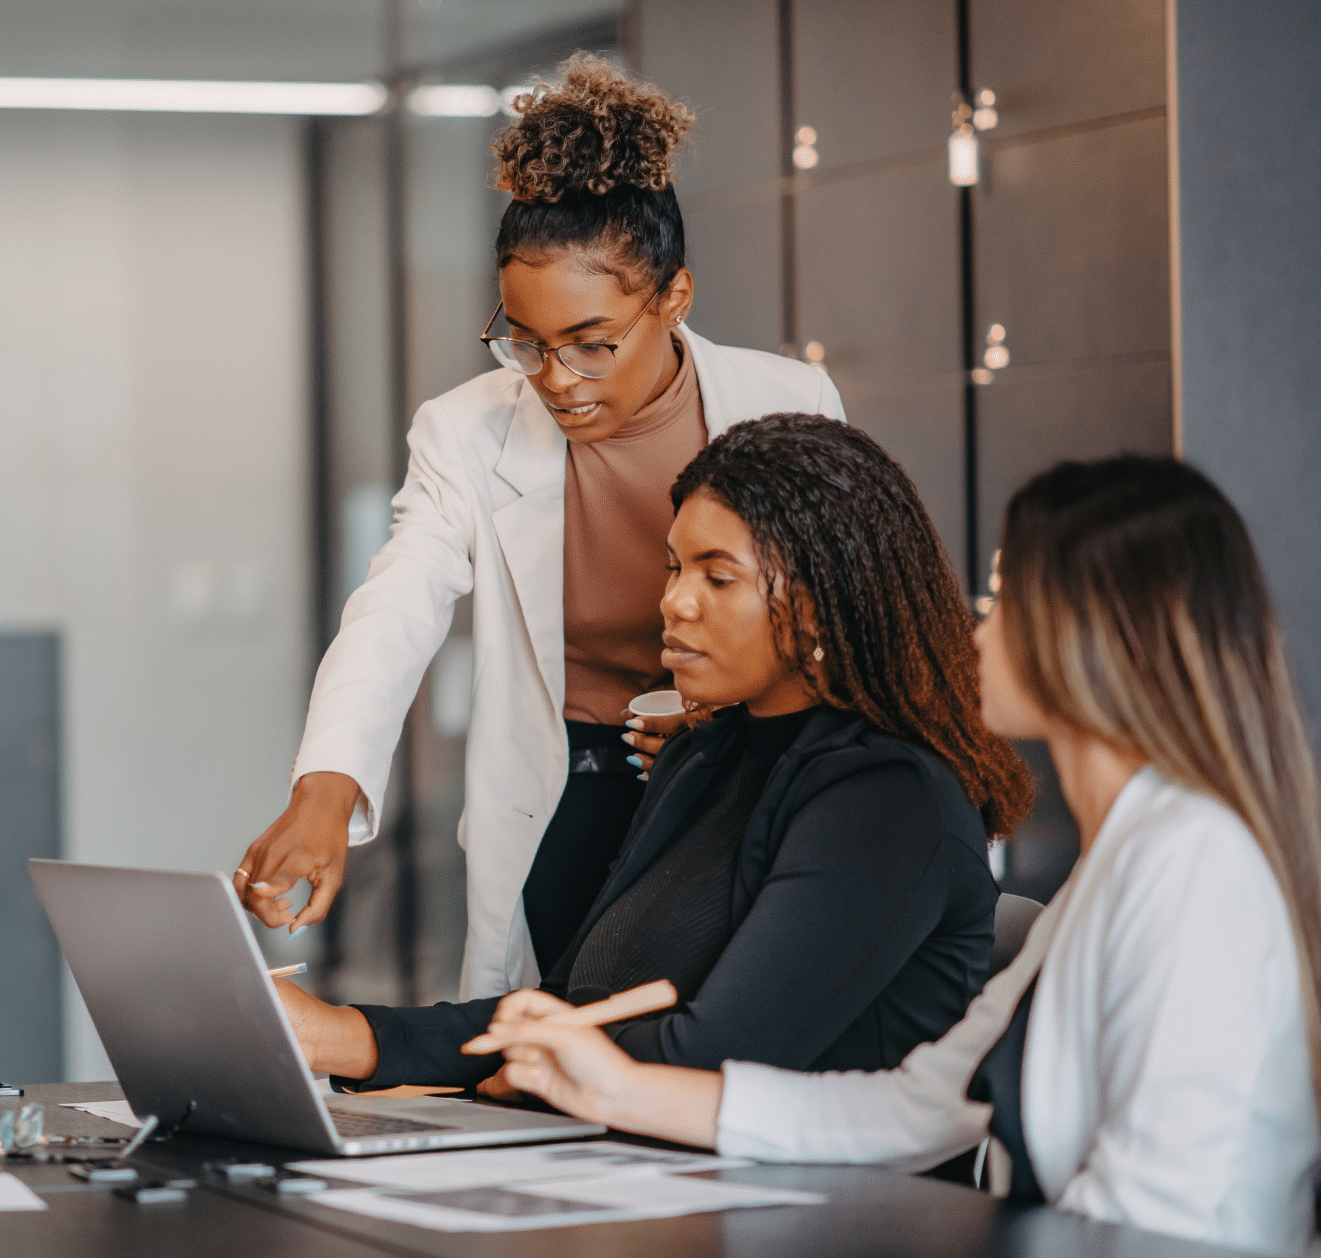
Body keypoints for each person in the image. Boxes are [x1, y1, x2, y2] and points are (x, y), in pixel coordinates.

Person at [477, 457, 1321, 1255]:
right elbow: (915, 1105)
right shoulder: (1129, 858)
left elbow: (1160, 1222)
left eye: (1007, 597)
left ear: (1091, 636)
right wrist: (611, 1086)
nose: (981, 625)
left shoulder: (1194, 867)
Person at [237, 54, 845, 997]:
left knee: (723, 1025)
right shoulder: (466, 430)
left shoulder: (789, 402)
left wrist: (728, 710)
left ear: (673, 299)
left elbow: (844, 615)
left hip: (745, 775)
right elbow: (395, 606)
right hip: (570, 783)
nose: (557, 380)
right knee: (555, 1032)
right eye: (527, 342)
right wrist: (328, 789)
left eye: (592, 345)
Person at [273, 414, 1033, 1094]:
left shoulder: (887, 797)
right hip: (649, 1174)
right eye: (675, 566)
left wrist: (543, 1061)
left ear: (819, 601)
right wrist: (345, 1037)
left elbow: (718, 1057)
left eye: (718, 575)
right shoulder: (701, 759)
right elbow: (575, 1003)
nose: (674, 601)